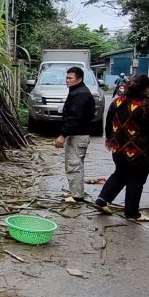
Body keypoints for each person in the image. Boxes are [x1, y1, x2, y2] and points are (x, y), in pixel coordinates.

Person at [94, 74, 149, 222]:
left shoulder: (118, 101)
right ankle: (131, 213)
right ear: (146, 89)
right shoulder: (147, 106)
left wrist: (109, 139)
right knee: (136, 180)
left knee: (119, 174)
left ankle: (102, 200)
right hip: (141, 153)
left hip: (119, 150)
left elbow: (108, 122)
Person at [54, 66, 96, 203]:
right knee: (75, 164)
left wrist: (63, 135)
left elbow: (75, 117)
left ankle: (77, 195)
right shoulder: (77, 91)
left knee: (74, 165)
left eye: (70, 78)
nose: (67, 81)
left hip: (78, 135)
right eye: (66, 78)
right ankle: (76, 191)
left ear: (79, 79)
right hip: (78, 133)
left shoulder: (80, 94)